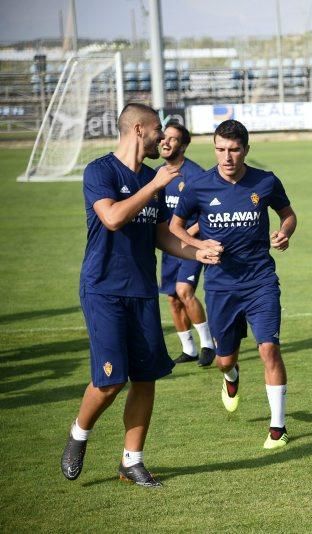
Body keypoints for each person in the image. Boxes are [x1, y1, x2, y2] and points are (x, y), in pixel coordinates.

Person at [60, 103, 222, 487]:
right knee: (111, 381)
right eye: (156, 133)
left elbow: (161, 235)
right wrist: (154, 186)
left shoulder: (152, 178)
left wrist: (196, 251)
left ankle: (132, 462)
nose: (161, 139)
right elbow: (113, 218)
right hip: (103, 290)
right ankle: (79, 433)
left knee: (146, 377)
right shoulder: (100, 171)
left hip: (142, 291)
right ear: (137, 130)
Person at [170, 119, 297, 450]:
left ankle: (278, 428)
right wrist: (199, 247)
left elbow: (288, 214)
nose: (227, 157)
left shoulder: (265, 181)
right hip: (221, 286)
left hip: (261, 282)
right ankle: (231, 377)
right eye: (220, 149)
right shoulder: (198, 185)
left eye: (234, 150)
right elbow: (175, 226)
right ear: (214, 148)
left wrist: (285, 232)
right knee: (224, 360)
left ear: (246, 150)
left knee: (269, 348)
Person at [157, 120, 215, 366]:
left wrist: (183, 233)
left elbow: (209, 212)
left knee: (184, 291)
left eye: (172, 139)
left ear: (184, 145)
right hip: (169, 246)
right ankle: (188, 349)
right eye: (164, 137)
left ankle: (207, 344)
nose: (165, 142)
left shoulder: (196, 175)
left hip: (192, 244)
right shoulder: (158, 175)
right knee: (172, 297)